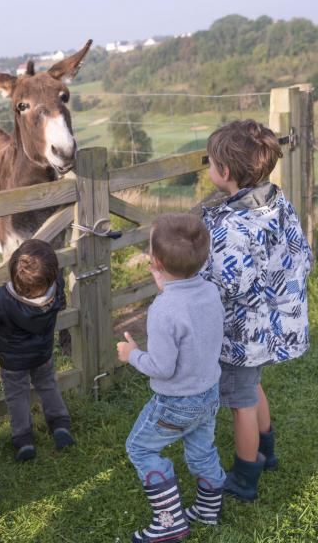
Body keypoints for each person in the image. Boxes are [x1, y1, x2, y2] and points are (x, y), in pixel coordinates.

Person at [200, 119, 312, 501]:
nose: (208, 167)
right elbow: (302, 255)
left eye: (210, 162)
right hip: (274, 324)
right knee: (251, 385)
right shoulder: (278, 202)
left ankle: (245, 476)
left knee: (240, 401)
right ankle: (268, 451)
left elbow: (227, 284)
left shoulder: (233, 227)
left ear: (225, 172)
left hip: (245, 334)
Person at [117, 213, 226, 543]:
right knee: (201, 450)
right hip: (209, 392)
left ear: (155, 261)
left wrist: (131, 354)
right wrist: (168, 283)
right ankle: (208, 509)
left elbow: (162, 368)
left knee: (140, 449)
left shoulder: (164, 309)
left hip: (177, 402)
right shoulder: (209, 291)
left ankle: (169, 523)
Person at [0, 239, 76, 461]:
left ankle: (24, 440)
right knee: (48, 386)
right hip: (43, 354)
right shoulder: (56, 289)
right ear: (52, 275)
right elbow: (59, 294)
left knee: (17, 397)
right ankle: (60, 424)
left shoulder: (2, 299)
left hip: (13, 363)